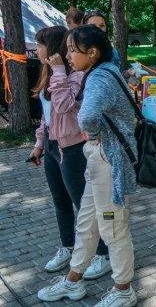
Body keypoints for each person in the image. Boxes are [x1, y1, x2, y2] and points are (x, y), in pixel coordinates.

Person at [37, 24, 138, 306]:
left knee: (112, 228)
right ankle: (73, 282)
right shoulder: (99, 73)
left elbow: (87, 116)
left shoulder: (100, 77)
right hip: (102, 158)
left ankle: (124, 290)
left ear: (92, 52)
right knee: (87, 224)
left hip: (109, 159)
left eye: (72, 50)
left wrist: (91, 135)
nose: (68, 56)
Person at [28, 26, 110, 278]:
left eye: (40, 45)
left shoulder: (73, 76)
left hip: (74, 148)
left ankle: (103, 253)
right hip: (53, 145)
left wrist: (59, 70)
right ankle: (68, 247)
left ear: (52, 49)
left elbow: (63, 106)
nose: (36, 50)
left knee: (83, 205)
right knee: (60, 203)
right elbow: (47, 114)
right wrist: (39, 144)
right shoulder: (51, 75)